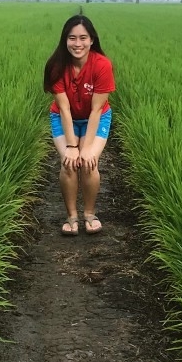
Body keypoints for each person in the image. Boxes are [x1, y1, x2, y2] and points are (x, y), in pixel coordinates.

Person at [43, 14, 116, 235]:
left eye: (83, 38)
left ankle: (89, 214)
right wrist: (73, 147)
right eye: (72, 38)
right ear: (65, 40)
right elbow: (64, 109)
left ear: (92, 40)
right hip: (64, 117)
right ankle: (72, 216)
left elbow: (96, 110)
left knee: (88, 162)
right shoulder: (56, 66)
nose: (78, 44)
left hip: (97, 116)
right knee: (68, 163)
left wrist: (84, 150)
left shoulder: (102, 65)